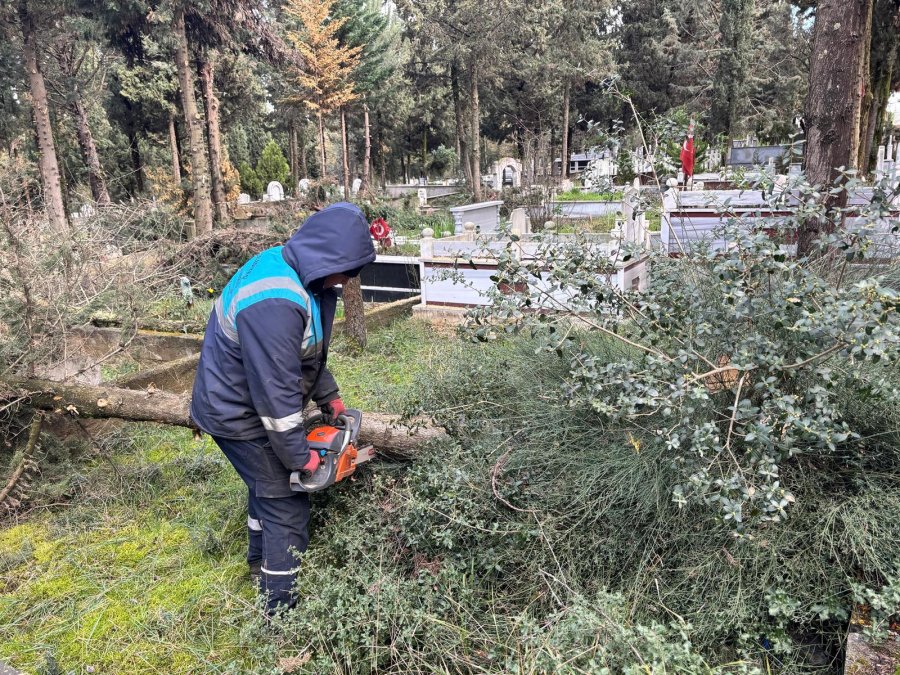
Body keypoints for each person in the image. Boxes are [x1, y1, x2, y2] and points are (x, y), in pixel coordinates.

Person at [190, 202, 376, 614]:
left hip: (243, 399)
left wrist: (329, 397)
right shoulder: (275, 299)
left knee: (264, 488)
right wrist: (302, 458)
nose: (347, 281)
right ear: (330, 258)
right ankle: (280, 610)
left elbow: (304, 355)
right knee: (285, 502)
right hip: (237, 413)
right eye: (348, 270)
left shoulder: (301, 274)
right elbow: (275, 395)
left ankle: (258, 564)